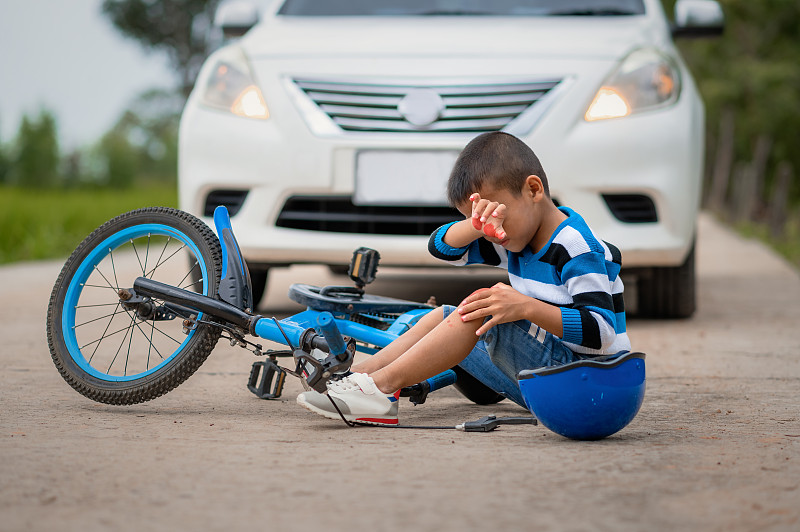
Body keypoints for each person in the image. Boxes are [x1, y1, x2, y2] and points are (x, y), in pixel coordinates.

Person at [297, 131, 631, 425]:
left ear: (533, 189)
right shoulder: (517, 238)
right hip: (548, 380)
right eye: (483, 221)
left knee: (485, 309)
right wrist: (475, 225)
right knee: (444, 313)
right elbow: (441, 248)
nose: (494, 231)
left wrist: (526, 307)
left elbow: (600, 333)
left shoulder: (575, 246)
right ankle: (356, 379)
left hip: (590, 385)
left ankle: (381, 391)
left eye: (498, 214)